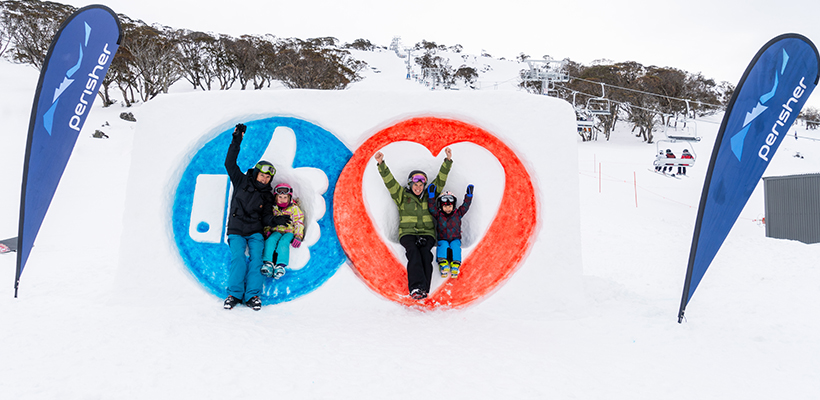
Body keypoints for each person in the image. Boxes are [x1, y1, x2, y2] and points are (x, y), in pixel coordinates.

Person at [223, 123, 289, 311]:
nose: (264, 179)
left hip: (255, 231)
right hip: (236, 229)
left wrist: (276, 221)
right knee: (238, 257)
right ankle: (234, 294)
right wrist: (237, 140)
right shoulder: (241, 180)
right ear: (257, 173)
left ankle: (252, 295)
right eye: (262, 175)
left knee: (257, 261)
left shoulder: (267, 195)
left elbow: (267, 216)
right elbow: (229, 163)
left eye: (268, 177)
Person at [374, 148, 452, 300]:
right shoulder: (402, 196)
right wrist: (381, 164)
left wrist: (447, 161)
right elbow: (390, 182)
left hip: (427, 233)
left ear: (424, 185)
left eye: (421, 185)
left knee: (426, 255)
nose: (418, 188)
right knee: (413, 253)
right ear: (410, 184)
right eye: (415, 185)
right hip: (408, 233)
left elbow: (440, 180)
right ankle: (416, 287)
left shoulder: (431, 195)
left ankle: (424, 289)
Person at [427, 184, 473, 278]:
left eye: (450, 206)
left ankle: (455, 264)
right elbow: (432, 208)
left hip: (455, 238)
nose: (448, 209)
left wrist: (468, 196)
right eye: (445, 207)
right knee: (443, 246)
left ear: (453, 206)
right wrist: (431, 196)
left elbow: (465, 206)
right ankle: (443, 262)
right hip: (443, 238)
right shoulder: (439, 214)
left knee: (456, 246)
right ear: (441, 206)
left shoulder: (458, 214)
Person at [261, 183, 305, 279]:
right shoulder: (273, 208)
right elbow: (268, 220)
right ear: (275, 198)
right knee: (270, 241)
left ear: (289, 198)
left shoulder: (294, 209)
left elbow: (298, 222)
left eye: (285, 197)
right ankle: (268, 263)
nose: (282, 199)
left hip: (288, 232)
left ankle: (280, 265)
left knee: (283, 243)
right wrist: (267, 231)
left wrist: (298, 236)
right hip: (276, 231)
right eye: (280, 197)